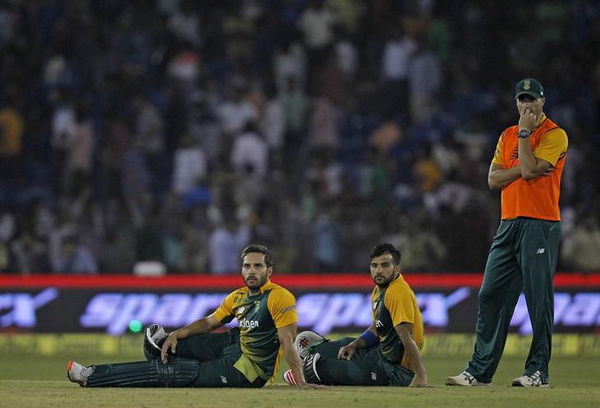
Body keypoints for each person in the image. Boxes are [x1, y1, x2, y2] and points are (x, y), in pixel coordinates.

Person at [446, 78, 568, 388]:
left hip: (540, 223)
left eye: (531, 99)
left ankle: (538, 371)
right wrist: (520, 163)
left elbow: (526, 170)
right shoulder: (507, 135)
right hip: (509, 222)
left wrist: (525, 136)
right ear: (516, 103)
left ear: (543, 101)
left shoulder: (555, 135)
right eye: (521, 100)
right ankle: (480, 371)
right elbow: (493, 180)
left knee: (538, 300)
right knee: (490, 294)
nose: (526, 105)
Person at [67, 244, 321, 389]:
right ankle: (161, 348)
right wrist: (178, 333)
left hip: (249, 371)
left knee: (178, 372)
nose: (251, 271)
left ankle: (92, 375)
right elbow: (210, 322)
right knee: (171, 343)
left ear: (269, 270)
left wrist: (300, 381)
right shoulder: (238, 296)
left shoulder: (280, 297)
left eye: (258, 266)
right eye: (247, 266)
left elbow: (287, 343)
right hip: (234, 347)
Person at [284, 243, 428, 387]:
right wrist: (354, 344)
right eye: (374, 265)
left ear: (396, 269)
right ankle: (310, 365)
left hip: (395, 371)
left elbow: (407, 337)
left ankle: (310, 372)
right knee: (322, 343)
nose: (378, 270)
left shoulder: (397, 292)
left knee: (330, 369)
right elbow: (377, 328)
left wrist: (420, 376)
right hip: (379, 354)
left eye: (385, 265)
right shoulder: (379, 291)